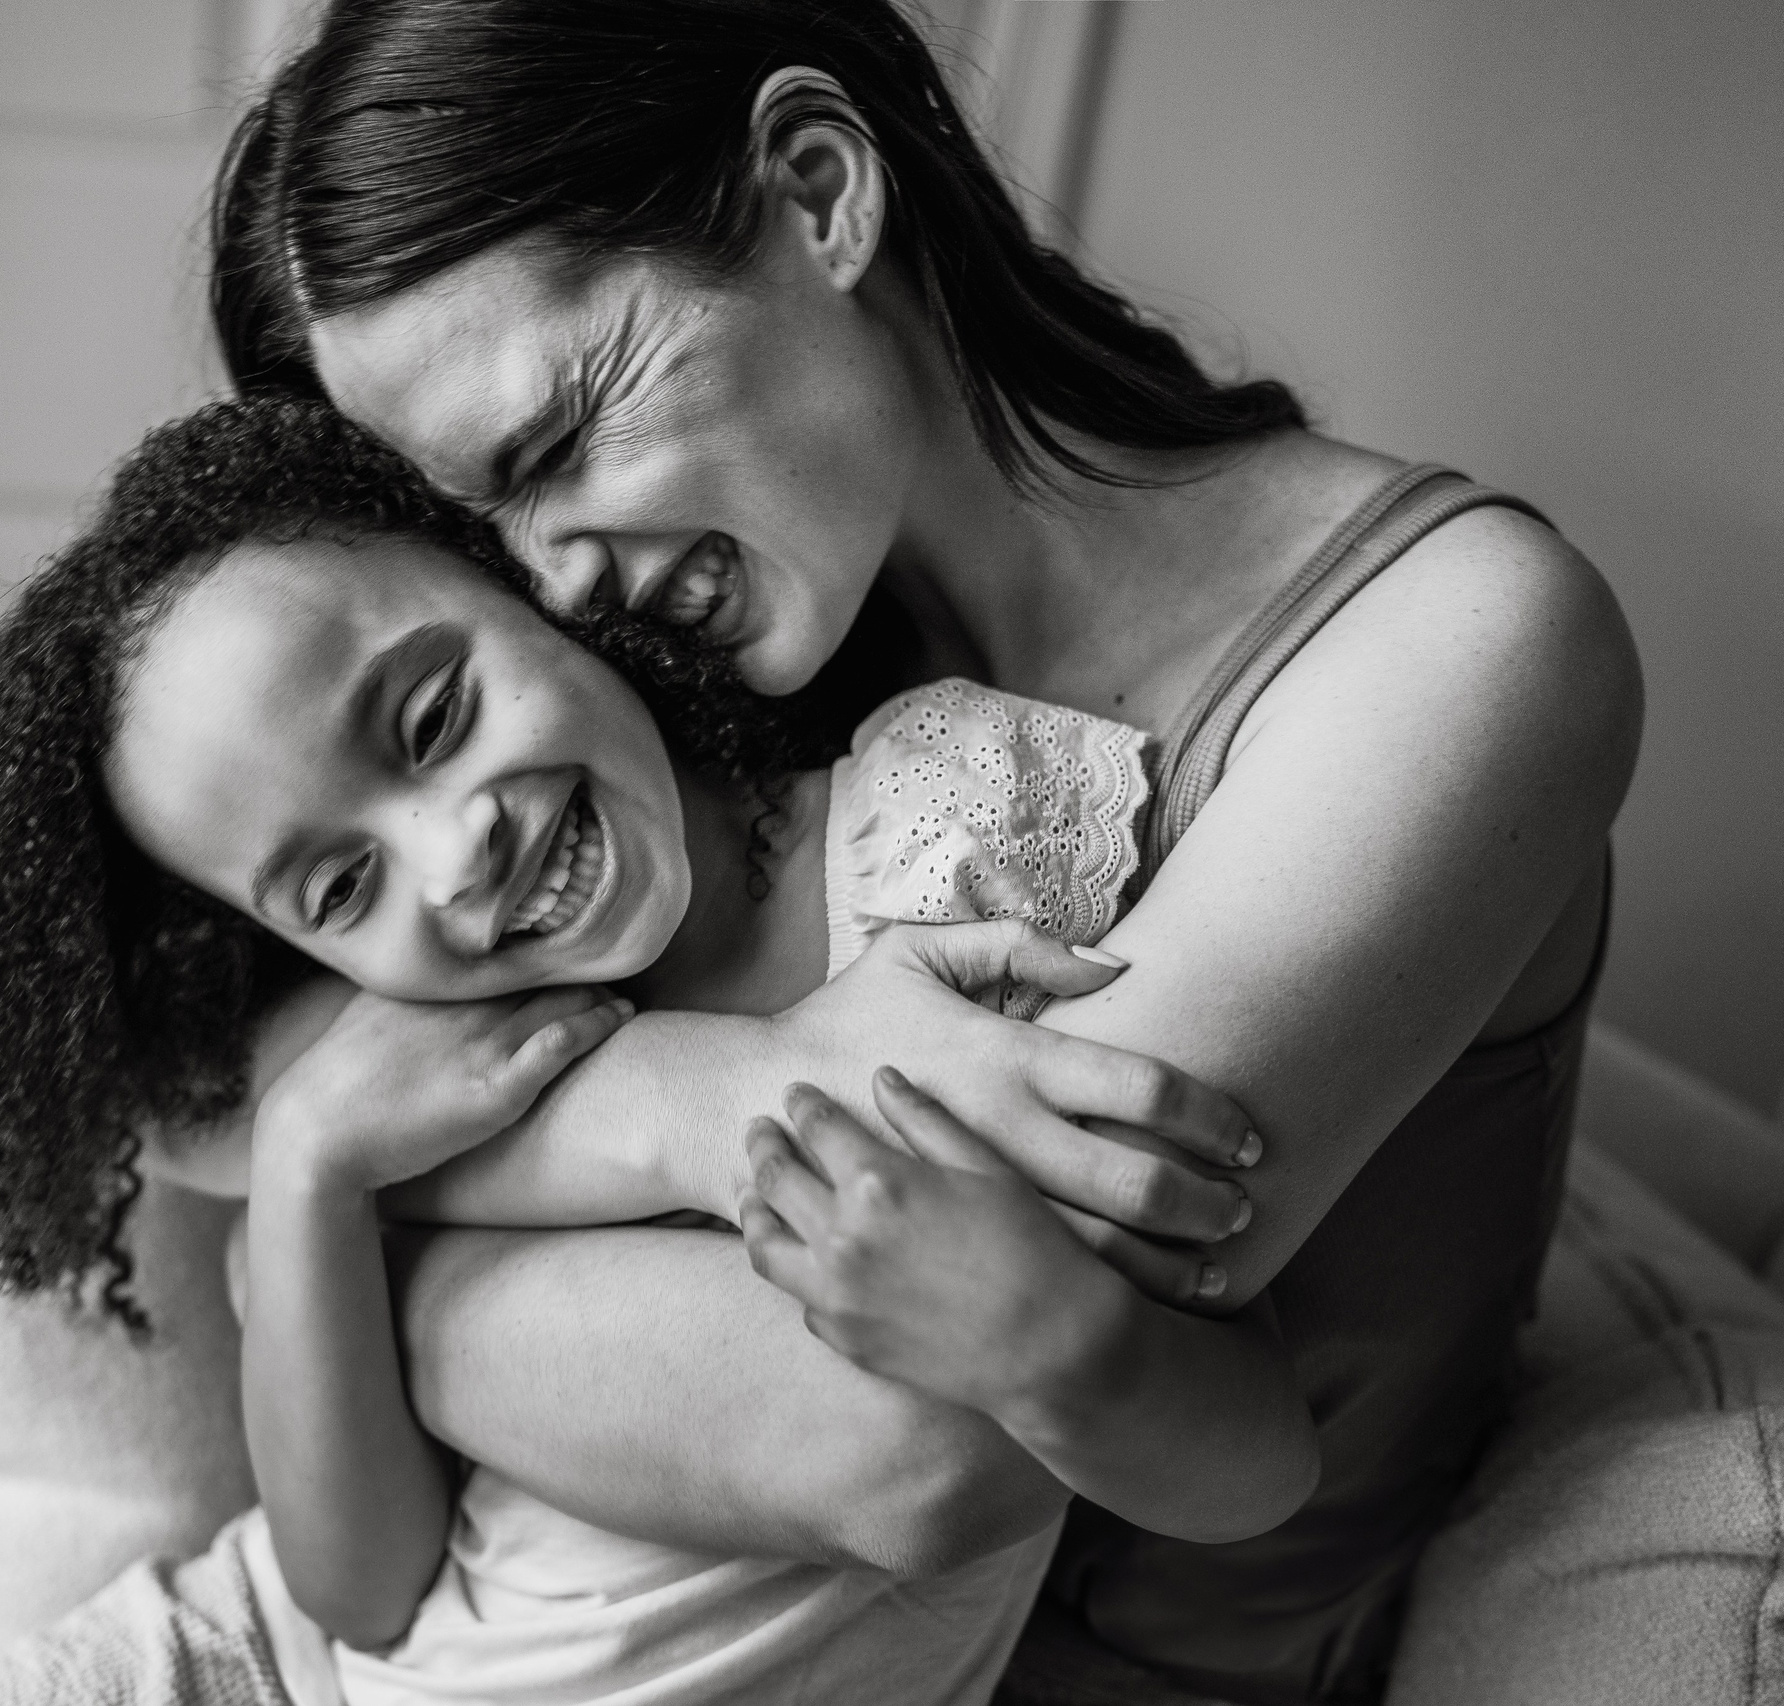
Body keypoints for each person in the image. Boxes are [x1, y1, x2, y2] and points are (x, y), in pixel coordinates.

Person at [206, 2, 1642, 1699]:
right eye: (484, 523)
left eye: (559, 444)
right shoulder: (725, 663)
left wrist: (348, 1251)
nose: (554, 581)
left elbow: (905, 1443)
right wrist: (674, 1103)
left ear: (819, 190)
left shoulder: (1461, 645)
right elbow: (211, 1080)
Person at [0, 395, 1315, 1706]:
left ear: (515, 574)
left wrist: (1060, 1342)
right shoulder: (407, 1073)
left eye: (433, 716)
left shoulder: (955, 828)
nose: (454, 857)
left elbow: (1258, 1452)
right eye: (337, 887)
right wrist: (316, 1169)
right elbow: (358, 1590)